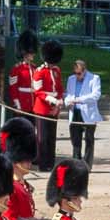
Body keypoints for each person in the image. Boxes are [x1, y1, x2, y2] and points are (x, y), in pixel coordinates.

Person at [33, 40, 65, 168]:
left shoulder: (56, 70)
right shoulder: (39, 71)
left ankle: (50, 163)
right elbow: (38, 92)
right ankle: (43, 163)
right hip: (42, 108)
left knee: (51, 137)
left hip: (54, 107)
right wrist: (53, 101)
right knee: (43, 138)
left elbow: (59, 88)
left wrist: (59, 102)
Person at [63, 58, 102, 162]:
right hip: (75, 112)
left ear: (84, 71)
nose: (77, 76)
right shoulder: (71, 79)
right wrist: (68, 101)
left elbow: (96, 95)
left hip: (88, 113)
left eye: (79, 73)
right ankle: (76, 161)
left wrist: (79, 100)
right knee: (75, 139)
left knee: (89, 139)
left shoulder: (94, 78)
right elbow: (68, 94)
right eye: (75, 73)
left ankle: (87, 163)